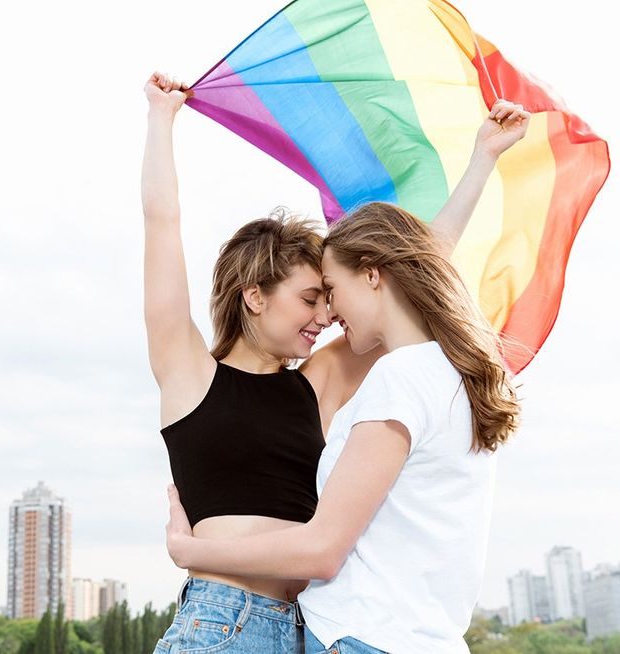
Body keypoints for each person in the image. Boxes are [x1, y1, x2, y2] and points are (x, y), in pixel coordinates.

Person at [143, 70, 528, 654]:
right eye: (308, 298)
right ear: (254, 295)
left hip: (311, 628)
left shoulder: (318, 382)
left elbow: (412, 271)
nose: (326, 315)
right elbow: (160, 225)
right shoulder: (189, 374)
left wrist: (483, 160)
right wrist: (161, 118)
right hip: (223, 624)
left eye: (329, 297)